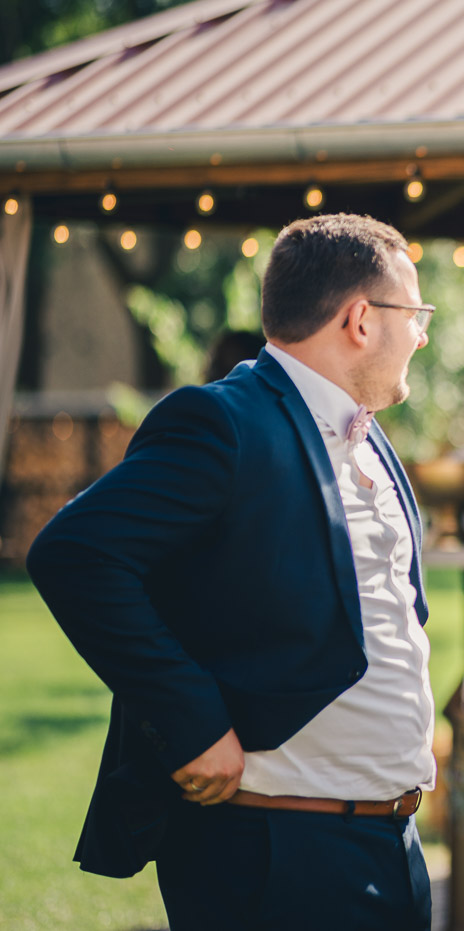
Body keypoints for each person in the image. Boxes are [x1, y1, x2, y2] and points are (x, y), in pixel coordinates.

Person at [27, 214, 438, 931]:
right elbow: (76, 552)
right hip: (278, 854)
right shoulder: (226, 422)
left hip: (391, 844)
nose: (423, 335)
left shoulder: (368, 436)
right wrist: (192, 722)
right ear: (361, 320)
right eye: (416, 313)